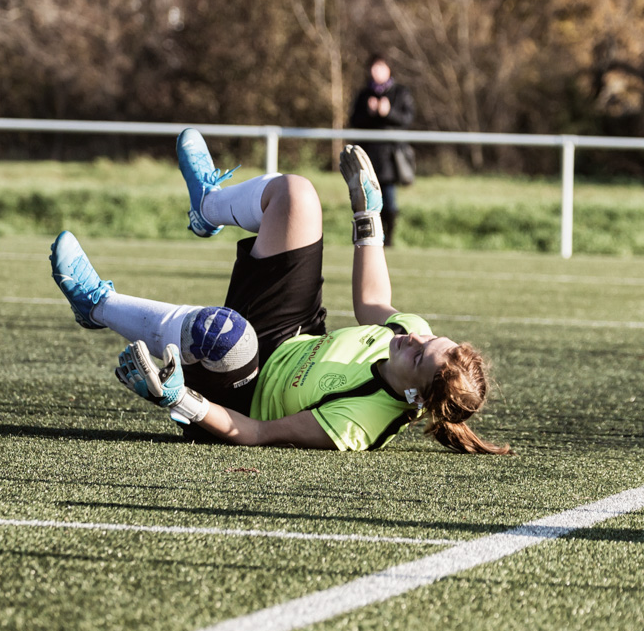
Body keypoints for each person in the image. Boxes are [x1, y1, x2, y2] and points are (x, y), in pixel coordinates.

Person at [47, 130, 509, 453]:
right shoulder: (412, 334)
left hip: (241, 397)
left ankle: (95, 304)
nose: (416, 340)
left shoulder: (360, 423)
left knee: (226, 335)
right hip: (290, 333)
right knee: (296, 194)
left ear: (417, 396)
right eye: (432, 339)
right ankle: (208, 205)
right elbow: (372, 304)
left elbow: (258, 434)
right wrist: (368, 216)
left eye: (419, 357)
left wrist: (179, 400)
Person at [347, 55, 415, 247]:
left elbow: (407, 119)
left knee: (390, 202)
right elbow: (354, 121)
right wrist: (370, 113)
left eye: (380, 68)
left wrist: (388, 112)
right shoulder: (363, 94)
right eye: (373, 68)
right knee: (368, 201)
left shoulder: (401, 92)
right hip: (368, 156)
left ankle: (390, 239)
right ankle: (372, 237)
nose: (376, 72)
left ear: (388, 70)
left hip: (391, 158)